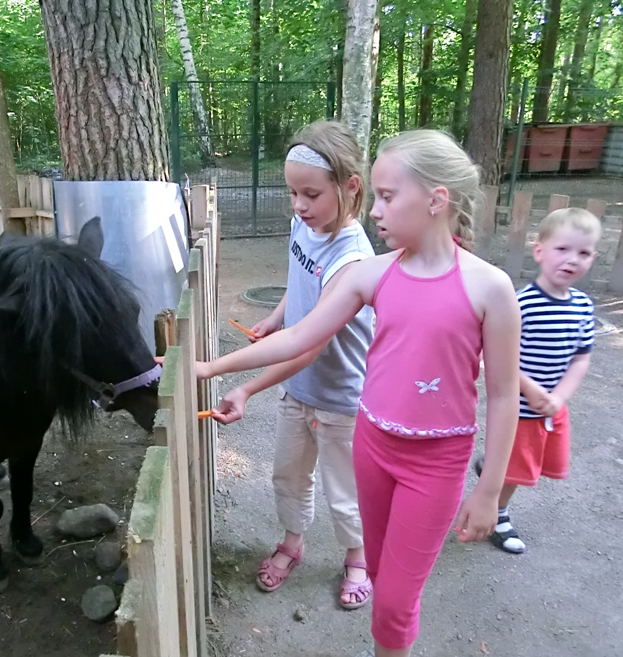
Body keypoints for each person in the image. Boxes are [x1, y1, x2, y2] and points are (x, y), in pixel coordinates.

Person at [198, 129, 521, 657]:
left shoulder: (490, 288)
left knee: (393, 600)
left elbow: (505, 395)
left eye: (389, 197)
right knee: (376, 568)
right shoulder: (371, 275)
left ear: (437, 200)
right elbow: (302, 336)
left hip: (437, 462)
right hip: (372, 445)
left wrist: (488, 492)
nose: (375, 210)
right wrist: (211, 367)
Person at [216, 121, 375, 608]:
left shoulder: (353, 258)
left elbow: (308, 347)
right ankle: (292, 542)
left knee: (343, 489)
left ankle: (357, 557)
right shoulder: (303, 226)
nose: (299, 205)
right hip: (297, 387)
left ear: (349, 187)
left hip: (340, 397)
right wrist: (274, 317)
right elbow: (298, 282)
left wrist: (243, 387)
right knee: (287, 474)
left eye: (311, 193)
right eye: (292, 193)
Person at [474, 207, 601, 554]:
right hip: (519, 408)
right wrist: (529, 388)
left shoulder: (583, 307)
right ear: (540, 251)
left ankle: (492, 467)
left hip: (551, 409)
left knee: (534, 466)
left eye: (584, 252)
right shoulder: (522, 303)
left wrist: (559, 397)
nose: (572, 259)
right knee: (517, 471)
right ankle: (499, 514)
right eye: (563, 249)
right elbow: (494, 354)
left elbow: (581, 358)